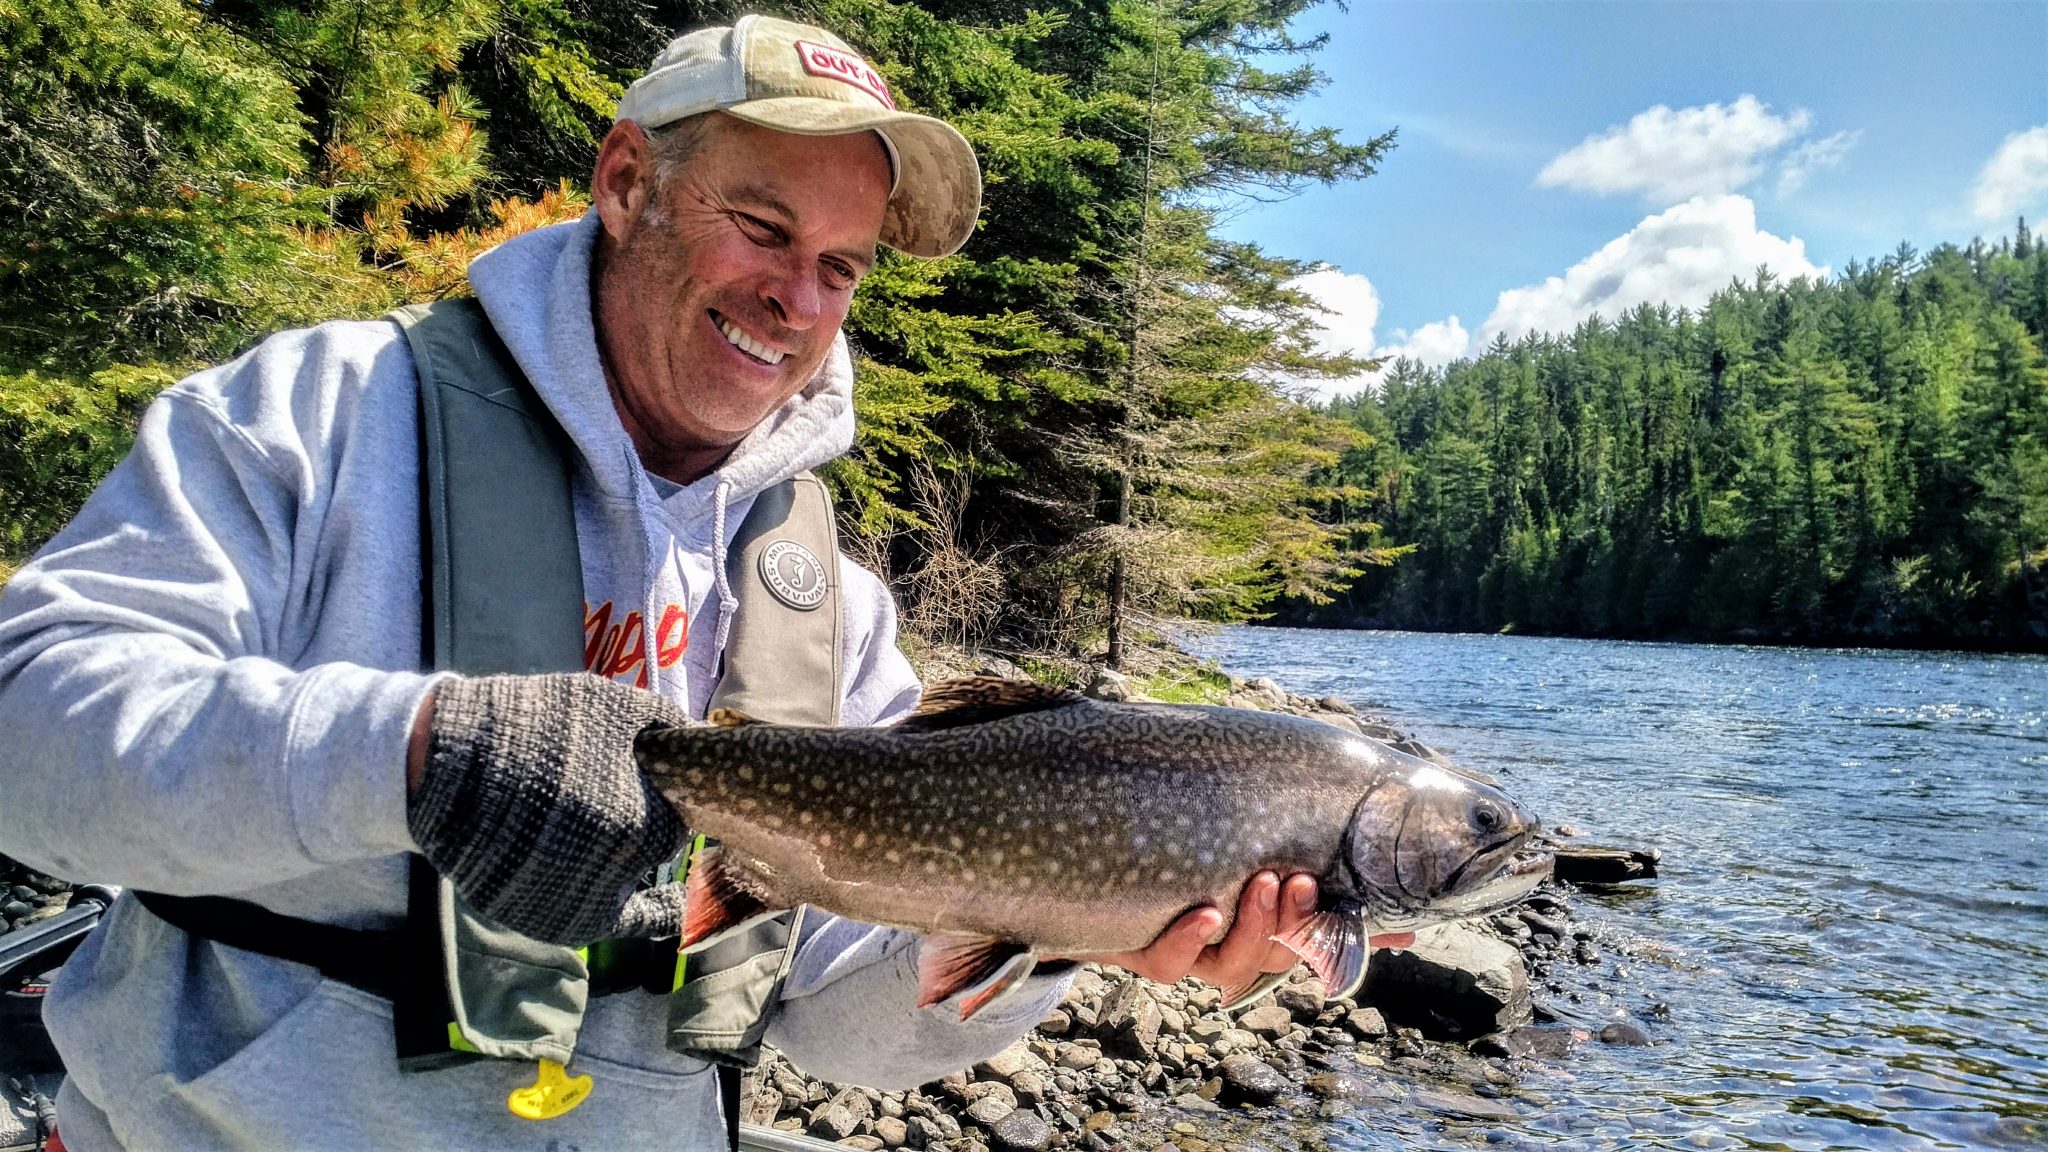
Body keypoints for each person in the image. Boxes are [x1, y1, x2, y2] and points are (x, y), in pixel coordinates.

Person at [0, 14, 1321, 1150]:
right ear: (627, 182)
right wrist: (413, 752)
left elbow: (840, 1030)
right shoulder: (323, 413)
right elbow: (27, 737)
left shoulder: (831, 611)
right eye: (764, 228)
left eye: (841, 269)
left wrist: (1077, 930)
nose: (797, 300)